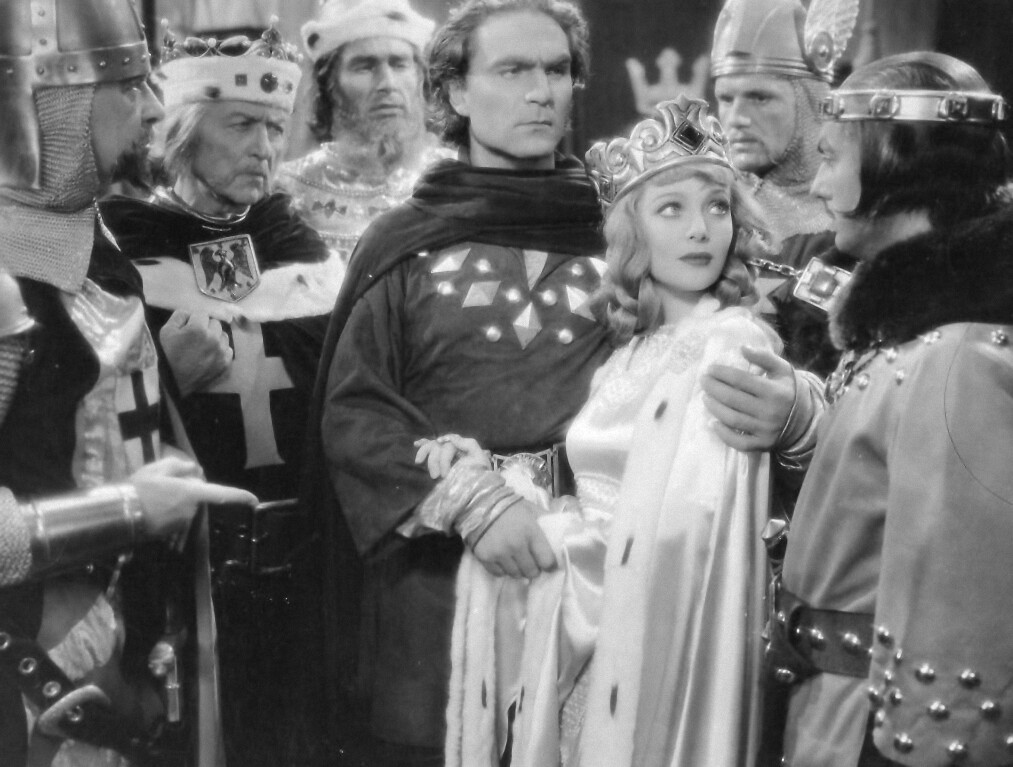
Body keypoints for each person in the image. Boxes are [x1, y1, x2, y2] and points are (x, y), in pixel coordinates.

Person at [423, 95, 780, 767]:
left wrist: (554, 541)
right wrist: (502, 484)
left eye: (717, 206)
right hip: (597, 634)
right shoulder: (631, 351)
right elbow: (603, 494)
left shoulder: (728, 342)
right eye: (671, 209)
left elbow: (685, 533)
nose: (701, 229)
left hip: (652, 643)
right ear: (630, 231)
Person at [308, 1, 614, 762]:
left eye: (557, 70)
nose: (541, 91)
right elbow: (355, 411)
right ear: (454, 92)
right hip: (436, 588)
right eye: (512, 70)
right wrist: (474, 502)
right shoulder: (402, 242)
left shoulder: (623, 231)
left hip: (589, 579)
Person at [0, 1, 257, 765]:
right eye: (127, 85)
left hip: (123, 655)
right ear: (48, 101)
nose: (152, 108)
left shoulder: (87, 236)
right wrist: (127, 508)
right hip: (36, 682)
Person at [767, 51, 1013, 767]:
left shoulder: (955, 355)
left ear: (896, 160)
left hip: (870, 729)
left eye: (830, 158)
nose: (817, 186)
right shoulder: (911, 335)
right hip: (830, 711)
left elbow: (956, 623)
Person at [99, 24, 333, 767]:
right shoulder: (124, 249)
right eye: (240, 125)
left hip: (305, 558)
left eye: (275, 127)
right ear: (184, 131)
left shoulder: (301, 250)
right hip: (184, 566)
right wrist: (163, 376)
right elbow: (89, 425)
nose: (265, 147)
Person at [710, 0, 860, 377]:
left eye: (760, 97)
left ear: (810, 100)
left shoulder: (851, 223)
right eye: (726, 98)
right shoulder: (710, 212)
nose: (737, 118)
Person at [276, 0, 453, 276]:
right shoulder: (287, 192)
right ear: (331, 85)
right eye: (365, 67)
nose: (387, 84)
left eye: (399, 64)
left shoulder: (458, 176)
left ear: (421, 77)